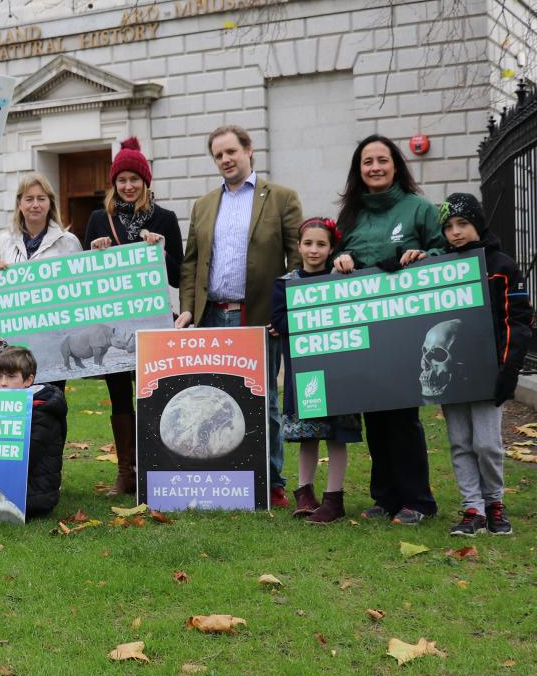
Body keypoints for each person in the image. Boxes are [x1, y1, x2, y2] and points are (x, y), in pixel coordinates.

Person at [177, 125, 302, 508]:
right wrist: (187, 308)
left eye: (231, 151)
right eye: (218, 155)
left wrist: (285, 313)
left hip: (258, 316)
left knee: (265, 400)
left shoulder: (281, 198)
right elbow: (191, 263)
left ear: (249, 150)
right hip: (210, 316)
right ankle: (226, 476)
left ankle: (273, 479)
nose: (226, 160)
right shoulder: (202, 205)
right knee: (215, 398)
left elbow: (297, 259)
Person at [332, 134, 444, 524]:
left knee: (402, 415)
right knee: (374, 412)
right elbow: (335, 252)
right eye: (367, 162)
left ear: (396, 164)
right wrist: (340, 257)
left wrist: (424, 256)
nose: (375, 167)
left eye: (382, 160)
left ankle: (418, 501)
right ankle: (384, 497)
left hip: (405, 325)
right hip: (364, 325)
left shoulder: (419, 208)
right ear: (358, 170)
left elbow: (444, 252)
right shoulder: (351, 214)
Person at [84, 137, 183, 496]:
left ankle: (153, 466)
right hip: (112, 324)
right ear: (114, 183)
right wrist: (94, 254)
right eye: (122, 180)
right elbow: (86, 283)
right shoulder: (99, 219)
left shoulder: (165, 219)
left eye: (134, 179)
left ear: (146, 182)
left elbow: (176, 275)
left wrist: (161, 250)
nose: (128, 186)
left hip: (152, 321)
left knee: (152, 390)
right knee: (119, 395)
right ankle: (126, 471)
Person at [438, 193, 532, 536]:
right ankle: (472, 508)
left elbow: (518, 321)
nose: (456, 233)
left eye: (462, 224)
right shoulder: (438, 268)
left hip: (488, 375)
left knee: (487, 444)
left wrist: (508, 371)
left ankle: (494, 502)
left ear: (477, 223)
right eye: (448, 227)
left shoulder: (502, 266)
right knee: (460, 442)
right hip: (452, 376)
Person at [270, 218, 363, 523]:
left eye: (321, 244)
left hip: (339, 372)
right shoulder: (285, 283)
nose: (314, 250)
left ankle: (334, 498)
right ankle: (304, 493)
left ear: (331, 248)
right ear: (298, 246)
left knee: (336, 435)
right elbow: (281, 323)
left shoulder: (341, 280)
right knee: (307, 436)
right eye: (308, 243)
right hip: (305, 373)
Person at [0, 345, 67, 520]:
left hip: (35, 497)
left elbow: (27, 456)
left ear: (28, 380)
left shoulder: (42, 412)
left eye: (11, 377)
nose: (3, 382)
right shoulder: (3, 406)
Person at [0, 173, 82, 289]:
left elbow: (80, 283)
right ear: (19, 204)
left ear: (50, 203)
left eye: (41, 199)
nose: (36, 205)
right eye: (29, 199)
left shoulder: (68, 241)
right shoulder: (5, 240)